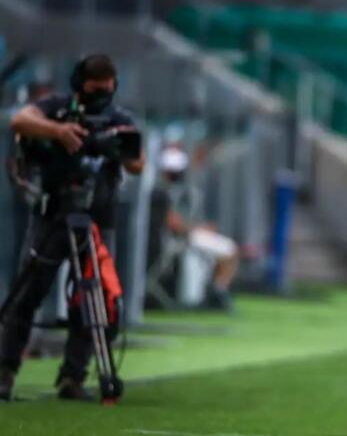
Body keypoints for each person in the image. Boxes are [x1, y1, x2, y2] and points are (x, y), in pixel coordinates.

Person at [0, 54, 144, 401]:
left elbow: (137, 163)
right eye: (95, 89)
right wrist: (59, 131)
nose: (101, 96)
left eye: (107, 89)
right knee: (27, 295)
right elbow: (19, 120)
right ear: (80, 84)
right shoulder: (57, 109)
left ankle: (73, 377)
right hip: (51, 215)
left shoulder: (119, 119)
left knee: (92, 300)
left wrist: (111, 146)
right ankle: (4, 372)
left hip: (97, 220)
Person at [147, 146, 238, 311]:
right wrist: (198, 228)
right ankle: (217, 292)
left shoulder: (172, 190)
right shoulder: (160, 192)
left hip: (181, 237)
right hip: (177, 240)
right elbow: (173, 224)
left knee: (225, 251)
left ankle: (216, 290)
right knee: (229, 250)